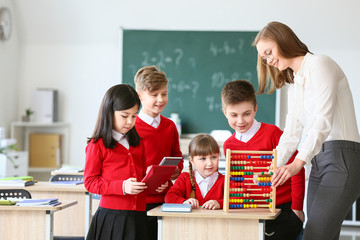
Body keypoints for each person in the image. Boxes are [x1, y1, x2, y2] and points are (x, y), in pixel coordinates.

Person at [253, 21, 360, 240]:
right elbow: (291, 133)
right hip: (318, 161)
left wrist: (297, 163)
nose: (268, 60)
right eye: (264, 57)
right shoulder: (296, 85)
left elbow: (323, 120)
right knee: (324, 235)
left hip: (342, 159)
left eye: (269, 52)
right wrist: (272, 167)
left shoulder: (321, 64)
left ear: (283, 40)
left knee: (315, 235)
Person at [222, 79, 305, 240]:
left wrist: (297, 208)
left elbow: (297, 168)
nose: (240, 121)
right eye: (234, 115)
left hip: (284, 209)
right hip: (251, 211)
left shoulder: (273, 133)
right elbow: (236, 182)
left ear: (255, 109)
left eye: (246, 114)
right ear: (225, 112)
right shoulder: (229, 145)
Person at [84, 84, 162, 240]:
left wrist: (154, 183)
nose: (129, 121)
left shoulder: (138, 142)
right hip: (112, 217)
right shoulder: (96, 144)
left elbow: (140, 178)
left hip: (138, 216)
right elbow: (90, 182)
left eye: (134, 116)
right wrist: (122, 186)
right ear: (109, 112)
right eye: (124, 116)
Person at [134, 66, 184, 240]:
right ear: (140, 95)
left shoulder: (170, 126)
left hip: (167, 201)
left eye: (164, 94)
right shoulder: (131, 127)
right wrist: (149, 178)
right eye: (154, 95)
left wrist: (174, 171)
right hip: (140, 203)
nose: (160, 99)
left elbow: (178, 158)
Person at [165, 134, 224, 209]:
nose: (210, 163)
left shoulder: (225, 181)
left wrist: (220, 203)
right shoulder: (184, 178)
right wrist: (183, 202)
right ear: (191, 160)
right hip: (189, 221)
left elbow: (239, 201)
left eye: (214, 157)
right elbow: (169, 197)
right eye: (203, 158)